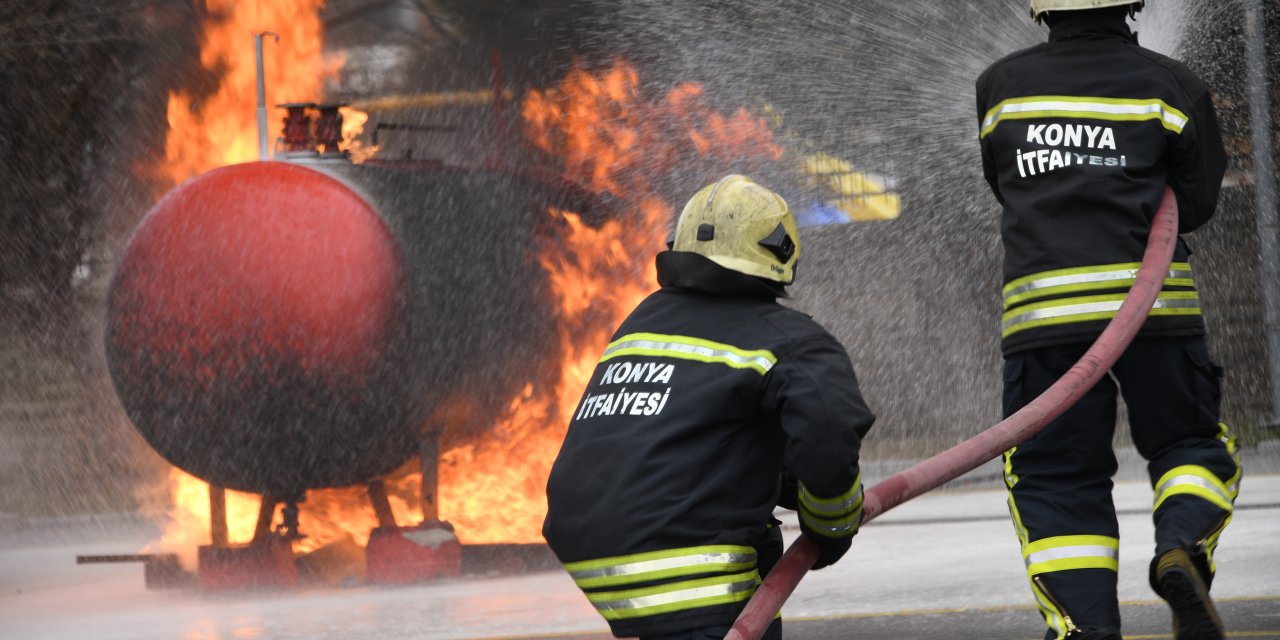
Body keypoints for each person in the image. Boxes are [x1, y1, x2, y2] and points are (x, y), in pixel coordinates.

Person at [975, 2, 1241, 639]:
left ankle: (1083, 628)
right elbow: (1198, 199)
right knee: (1190, 444)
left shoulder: (998, 87)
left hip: (1045, 322)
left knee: (1057, 475)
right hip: (1155, 313)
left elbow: (1005, 186)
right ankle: (1180, 545)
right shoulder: (1172, 82)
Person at [543, 175, 875, 640]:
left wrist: (782, 482)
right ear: (780, 250)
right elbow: (828, 433)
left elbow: (691, 438)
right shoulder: (790, 340)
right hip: (692, 568)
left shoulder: (641, 322)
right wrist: (831, 527)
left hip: (594, 556)